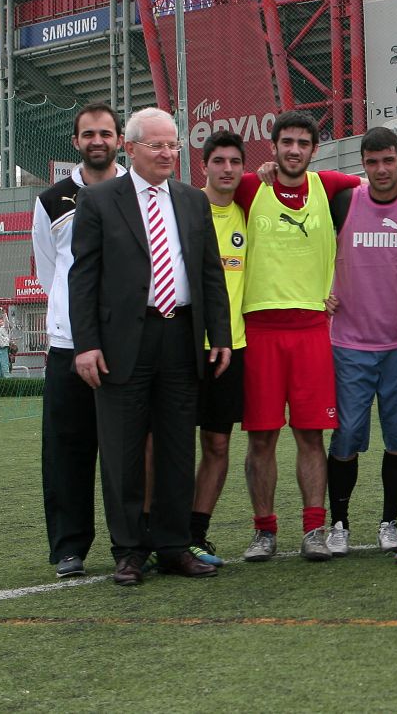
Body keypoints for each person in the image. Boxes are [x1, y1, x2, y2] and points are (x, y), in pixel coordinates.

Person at [235, 111, 397, 563]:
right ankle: (292, 528)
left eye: (303, 142)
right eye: (287, 142)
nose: (294, 149)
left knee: (337, 436)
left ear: (314, 149)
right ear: (274, 144)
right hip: (286, 332)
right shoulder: (254, 186)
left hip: (343, 335)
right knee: (281, 437)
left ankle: (336, 526)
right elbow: (210, 193)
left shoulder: (338, 189)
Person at [68, 107, 231, 585]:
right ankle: (129, 550)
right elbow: (83, 279)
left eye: (173, 144)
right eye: (157, 145)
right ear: (130, 147)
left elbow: (209, 273)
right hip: (123, 342)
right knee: (121, 449)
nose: (167, 153)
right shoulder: (98, 201)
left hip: (180, 337)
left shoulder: (191, 200)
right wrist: (86, 345)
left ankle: (174, 545)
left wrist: (218, 335)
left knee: (179, 446)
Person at [32, 101, 125, 578]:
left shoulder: (137, 191)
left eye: (105, 133)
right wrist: (72, 323)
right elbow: (53, 273)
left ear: (118, 140)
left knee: (126, 447)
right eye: (88, 134)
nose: (97, 141)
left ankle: (129, 542)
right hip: (70, 344)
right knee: (67, 448)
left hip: (125, 340)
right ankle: (69, 547)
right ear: (75, 142)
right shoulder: (51, 200)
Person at [324, 127, 397, 557]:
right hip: (349, 341)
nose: (381, 170)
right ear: (362, 165)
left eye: (389, 161)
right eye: (372, 162)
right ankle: (339, 523)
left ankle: (388, 521)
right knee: (346, 435)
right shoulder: (346, 201)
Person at [188, 131, 249, 568]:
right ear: (203, 166)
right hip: (183, 345)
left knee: (218, 445)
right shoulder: (185, 210)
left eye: (234, 162)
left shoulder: (250, 210)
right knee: (163, 444)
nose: (227, 169)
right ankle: (155, 531)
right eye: (219, 161)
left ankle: (195, 532)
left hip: (232, 348)